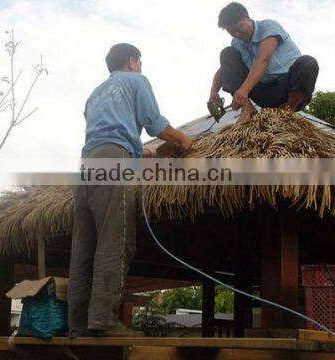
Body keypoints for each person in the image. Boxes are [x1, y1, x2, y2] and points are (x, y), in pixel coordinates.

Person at [68, 43, 193, 337]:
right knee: (116, 240)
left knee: (84, 248)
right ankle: (103, 321)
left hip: (88, 163)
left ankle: (77, 326)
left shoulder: (95, 95)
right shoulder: (136, 80)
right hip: (113, 161)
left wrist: (138, 152)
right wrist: (183, 141)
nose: (141, 67)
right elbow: (156, 125)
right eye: (140, 62)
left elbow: (110, 131)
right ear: (133, 61)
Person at [209, 2, 319, 115]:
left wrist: (243, 90)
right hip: (264, 94)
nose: (237, 34)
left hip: (289, 90)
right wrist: (213, 92)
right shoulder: (237, 43)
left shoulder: (269, 26)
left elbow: (264, 59)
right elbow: (226, 68)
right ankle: (247, 110)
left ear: (247, 17)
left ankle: (287, 113)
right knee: (227, 53)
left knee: (308, 62)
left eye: (239, 27)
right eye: (232, 32)